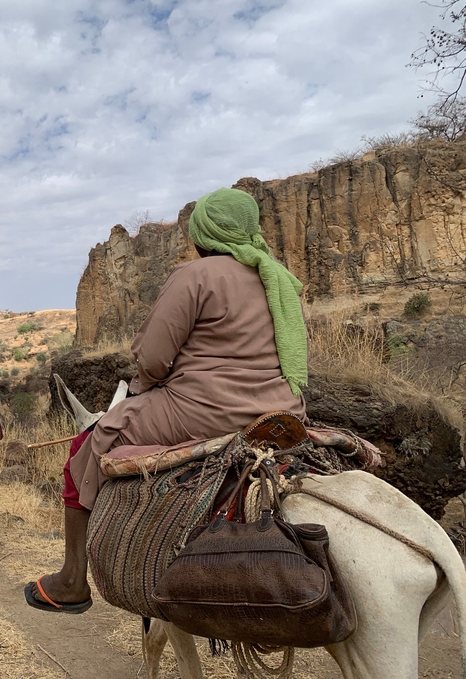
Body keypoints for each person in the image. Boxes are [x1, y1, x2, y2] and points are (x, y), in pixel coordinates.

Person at [25, 187, 308, 614]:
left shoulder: (195, 275)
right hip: (281, 414)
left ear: (202, 234)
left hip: (204, 411)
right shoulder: (281, 281)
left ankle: (71, 580)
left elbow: (154, 359)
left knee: (86, 447)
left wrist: (149, 382)